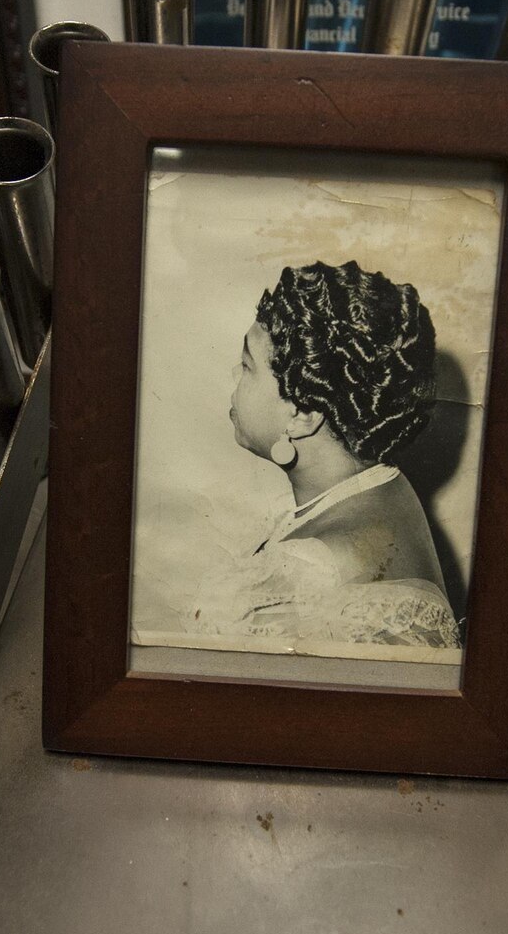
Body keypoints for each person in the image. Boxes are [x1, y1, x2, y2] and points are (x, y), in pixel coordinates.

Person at [192, 260, 457, 650]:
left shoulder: (308, 572)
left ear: (302, 415)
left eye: (247, 366)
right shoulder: (383, 483)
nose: (234, 374)